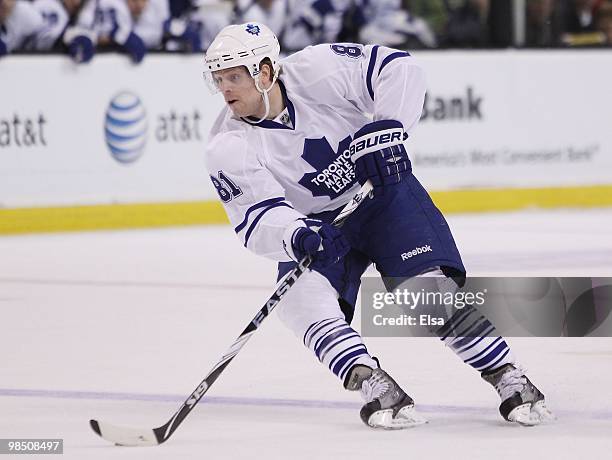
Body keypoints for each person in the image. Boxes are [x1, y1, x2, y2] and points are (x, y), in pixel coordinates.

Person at [202, 22, 554, 428]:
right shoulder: (227, 145)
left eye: (234, 77)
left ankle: (508, 376)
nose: (225, 89)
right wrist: (295, 234)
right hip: (322, 228)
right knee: (300, 302)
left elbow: (400, 68)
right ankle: (375, 384)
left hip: (382, 196)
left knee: (424, 293)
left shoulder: (316, 69)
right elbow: (256, 216)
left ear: (265, 73)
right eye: (219, 79)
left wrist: (388, 128)